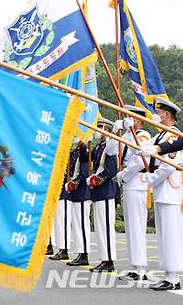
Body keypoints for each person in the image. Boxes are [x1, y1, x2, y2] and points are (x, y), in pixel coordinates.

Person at [144, 98, 183, 291]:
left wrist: (151, 179)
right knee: (163, 235)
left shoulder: (173, 135)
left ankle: (173, 277)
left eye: (159, 113)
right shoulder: (160, 136)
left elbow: (168, 166)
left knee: (171, 235)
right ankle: (168, 274)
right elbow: (143, 151)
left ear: (167, 115)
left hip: (170, 190)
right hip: (162, 190)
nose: (156, 115)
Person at [110, 106, 151, 281]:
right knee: (130, 227)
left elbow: (142, 160)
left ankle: (141, 267)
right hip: (129, 184)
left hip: (137, 183)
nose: (128, 119)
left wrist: (123, 174)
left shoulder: (142, 136)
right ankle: (135, 266)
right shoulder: (128, 134)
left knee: (137, 226)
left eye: (131, 117)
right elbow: (111, 150)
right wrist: (116, 130)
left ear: (139, 120)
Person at [86, 118, 118, 273]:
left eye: (100, 128)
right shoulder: (99, 147)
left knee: (106, 228)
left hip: (106, 191)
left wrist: (95, 179)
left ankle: (109, 260)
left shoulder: (109, 146)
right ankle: (104, 259)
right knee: (100, 228)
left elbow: (111, 170)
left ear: (107, 129)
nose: (98, 131)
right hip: (99, 193)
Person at [65, 140, 91, 267]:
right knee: (77, 226)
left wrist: (73, 184)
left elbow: (84, 174)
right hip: (76, 193)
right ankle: (80, 253)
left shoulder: (84, 150)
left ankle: (84, 254)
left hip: (82, 192)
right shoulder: (78, 150)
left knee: (82, 225)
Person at [49, 143, 75, 261]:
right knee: (58, 223)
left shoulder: (67, 157)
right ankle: (60, 248)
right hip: (57, 193)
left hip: (64, 193)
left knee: (63, 223)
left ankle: (64, 250)